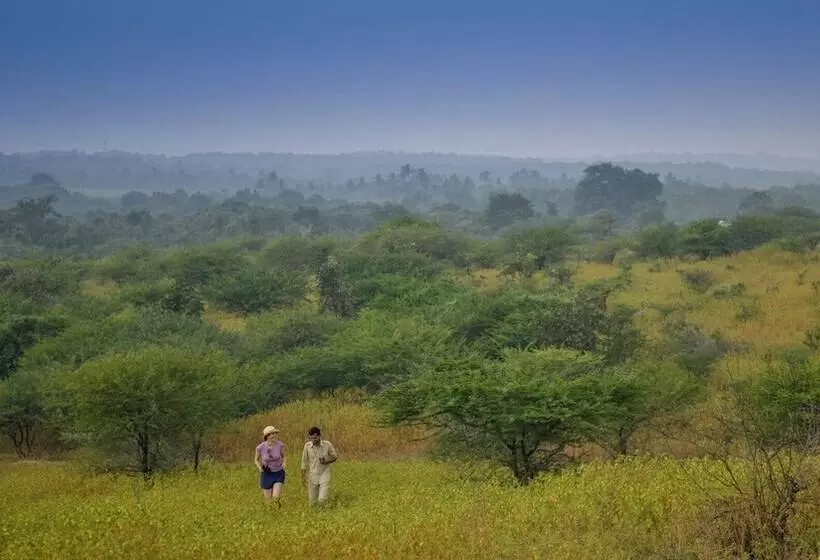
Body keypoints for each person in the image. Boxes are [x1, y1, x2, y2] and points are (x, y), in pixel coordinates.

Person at [300, 426, 338, 506]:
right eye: (310, 438)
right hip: (312, 475)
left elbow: (334, 456)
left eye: (315, 438)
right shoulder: (307, 446)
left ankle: (323, 515)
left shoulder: (327, 444)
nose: (313, 440)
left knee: (322, 499)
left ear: (320, 436)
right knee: (312, 502)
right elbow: (304, 462)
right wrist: (303, 477)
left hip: (325, 473)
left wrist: (326, 460)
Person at [254, 425, 286, 507]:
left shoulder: (280, 445)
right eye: (272, 434)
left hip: (278, 473)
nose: (274, 435)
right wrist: (259, 467)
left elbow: (284, 456)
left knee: (275, 497)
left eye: (275, 433)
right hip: (266, 473)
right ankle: (273, 514)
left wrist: (284, 463)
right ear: (267, 436)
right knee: (268, 502)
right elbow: (256, 460)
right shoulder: (260, 447)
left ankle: (277, 508)